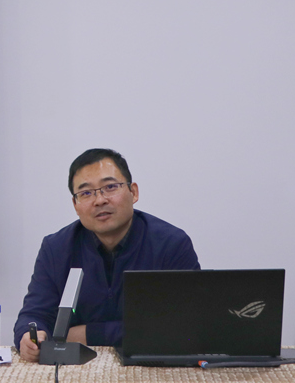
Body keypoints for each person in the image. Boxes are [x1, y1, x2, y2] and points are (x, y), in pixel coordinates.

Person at [14, 148, 199, 362]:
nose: (99, 200)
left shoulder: (171, 244)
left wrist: (88, 334)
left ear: (133, 192)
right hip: (77, 370)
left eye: (110, 187)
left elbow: (186, 327)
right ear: (75, 205)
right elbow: (35, 315)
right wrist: (29, 337)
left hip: (153, 369)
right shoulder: (56, 248)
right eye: (86, 193)